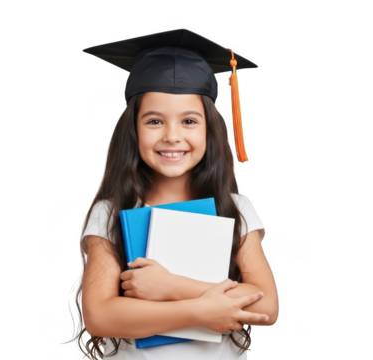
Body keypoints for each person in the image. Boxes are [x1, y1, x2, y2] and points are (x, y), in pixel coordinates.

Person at [59, 29, 279, 359]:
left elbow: (266, 305)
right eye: (154, 121)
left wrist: (173, 287)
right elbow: (99, 316)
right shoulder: (111, 210)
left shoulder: (235, 208)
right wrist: (200, 311)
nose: (172, 136)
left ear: (211, 130)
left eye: (189, 121)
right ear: (133, 130)